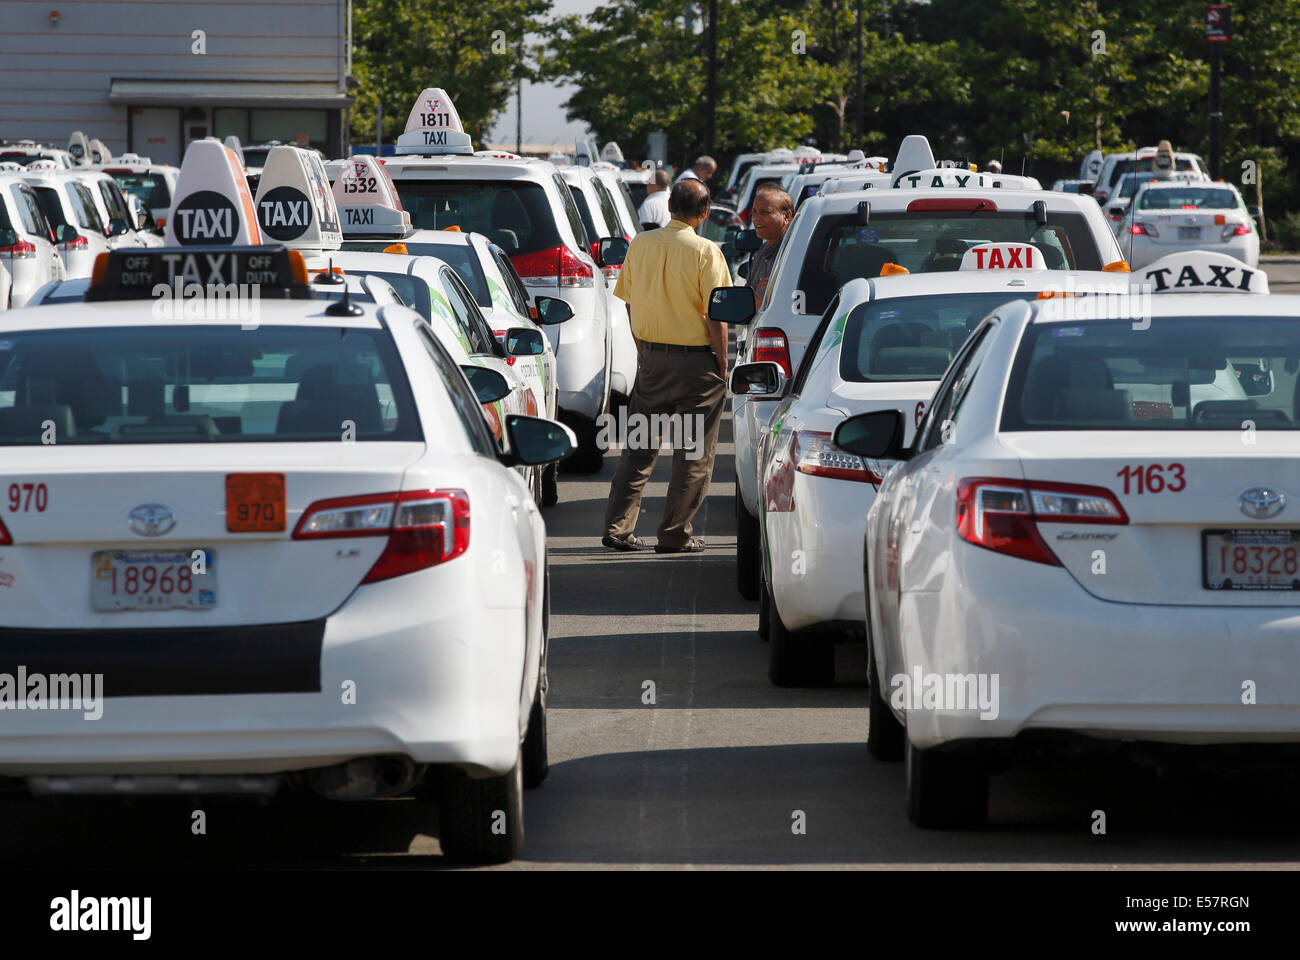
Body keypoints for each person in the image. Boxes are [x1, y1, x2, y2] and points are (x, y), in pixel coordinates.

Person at [602, 178, 732, 554]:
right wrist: (722, 366)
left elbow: (628, 301)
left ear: (670, 206)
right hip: (697, 364)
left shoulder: (640, 244)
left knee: (639, 446)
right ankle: (674, 534)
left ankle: (617, 528)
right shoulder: (707, 251)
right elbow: (716, 315)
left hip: (653, 360)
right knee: (693, 452)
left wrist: (644, 350)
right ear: (704, 214)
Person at [746, 183, 794, 307]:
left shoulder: (792, 252)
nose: (756, 218)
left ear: (787, 216)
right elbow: (749, 300)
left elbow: (763, 303)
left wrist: (755, 296)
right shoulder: (763, 250)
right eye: (754, 212)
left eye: (765, 212)